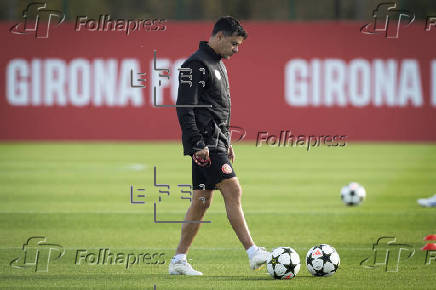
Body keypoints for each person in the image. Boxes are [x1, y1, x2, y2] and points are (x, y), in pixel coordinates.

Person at [169, 16, 269, 276]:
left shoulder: (217, 64)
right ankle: (252, 252)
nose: (236, 50)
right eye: (234, 44)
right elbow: (185, 107)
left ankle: (179, 260)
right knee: (233, 189)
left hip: (216, 143)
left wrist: (225, 141)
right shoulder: (195, 65)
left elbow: (216, 109)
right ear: (220, 37)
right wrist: (197, 143)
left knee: (201, 201)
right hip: (205, 145)